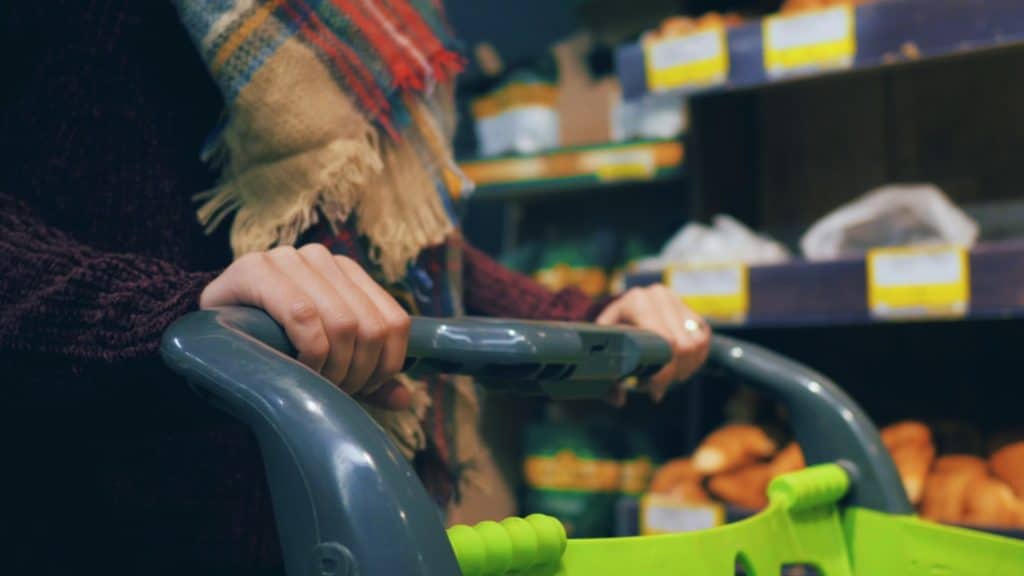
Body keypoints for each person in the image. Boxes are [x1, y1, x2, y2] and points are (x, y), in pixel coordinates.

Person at [0, 2, 709, 574]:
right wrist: (183, 310)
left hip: (344, 511)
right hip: (112, 510)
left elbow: (389, 243)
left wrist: (587, 316)